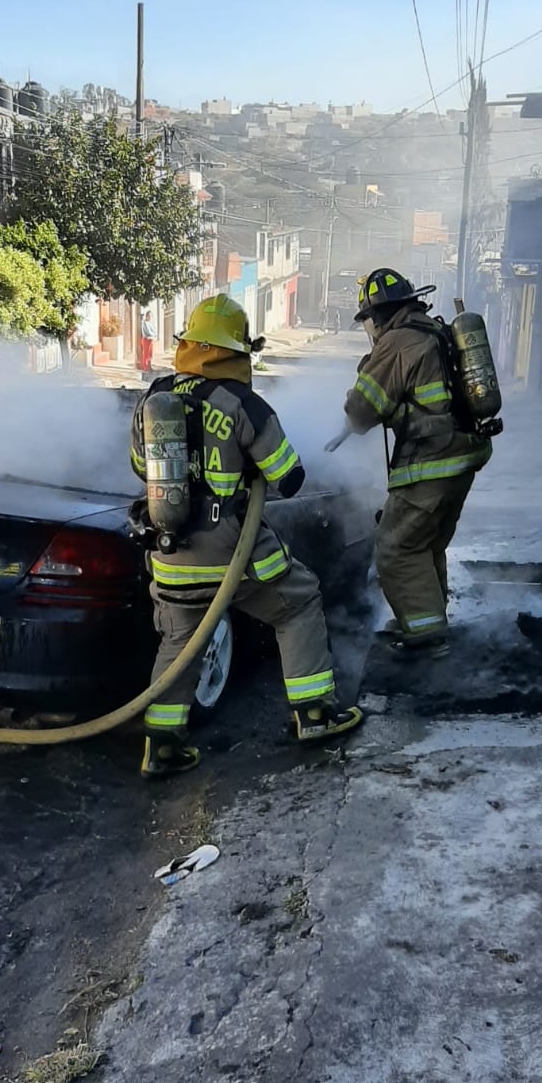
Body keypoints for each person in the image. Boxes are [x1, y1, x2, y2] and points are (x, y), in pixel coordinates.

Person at [131, 293, 362, 778]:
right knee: (298, 602)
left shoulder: (155, 400)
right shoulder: (245, 404)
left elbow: (139, 467)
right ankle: (315, 712)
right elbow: (289, 478)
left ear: (189, 344)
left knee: (179, 641)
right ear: (237, 351)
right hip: (234, 552)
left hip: (171, 553)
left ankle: (162, 746)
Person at [341, 268, 492, 657]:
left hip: (431, 461)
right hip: (462, 455)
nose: (370, 329)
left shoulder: (396, 341)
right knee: (427, 544)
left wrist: (366, 368)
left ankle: (426, 636)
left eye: (369, 321)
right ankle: (426, 619)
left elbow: (361, 411)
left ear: (379, 315)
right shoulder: (434, 331)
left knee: (397, 548)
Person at [140, 308, 156, 378]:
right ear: (146, 316)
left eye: (151, 316)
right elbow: (148, 332)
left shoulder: (150, 323)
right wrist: (153, 334)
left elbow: (154, 330)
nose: (149, 317)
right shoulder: (144, 323)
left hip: (151, 339)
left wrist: (153, 334)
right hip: (146, 339)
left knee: (150, 354)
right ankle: (145, 367)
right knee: (146, 354)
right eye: (149, 316)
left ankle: (149, 366)